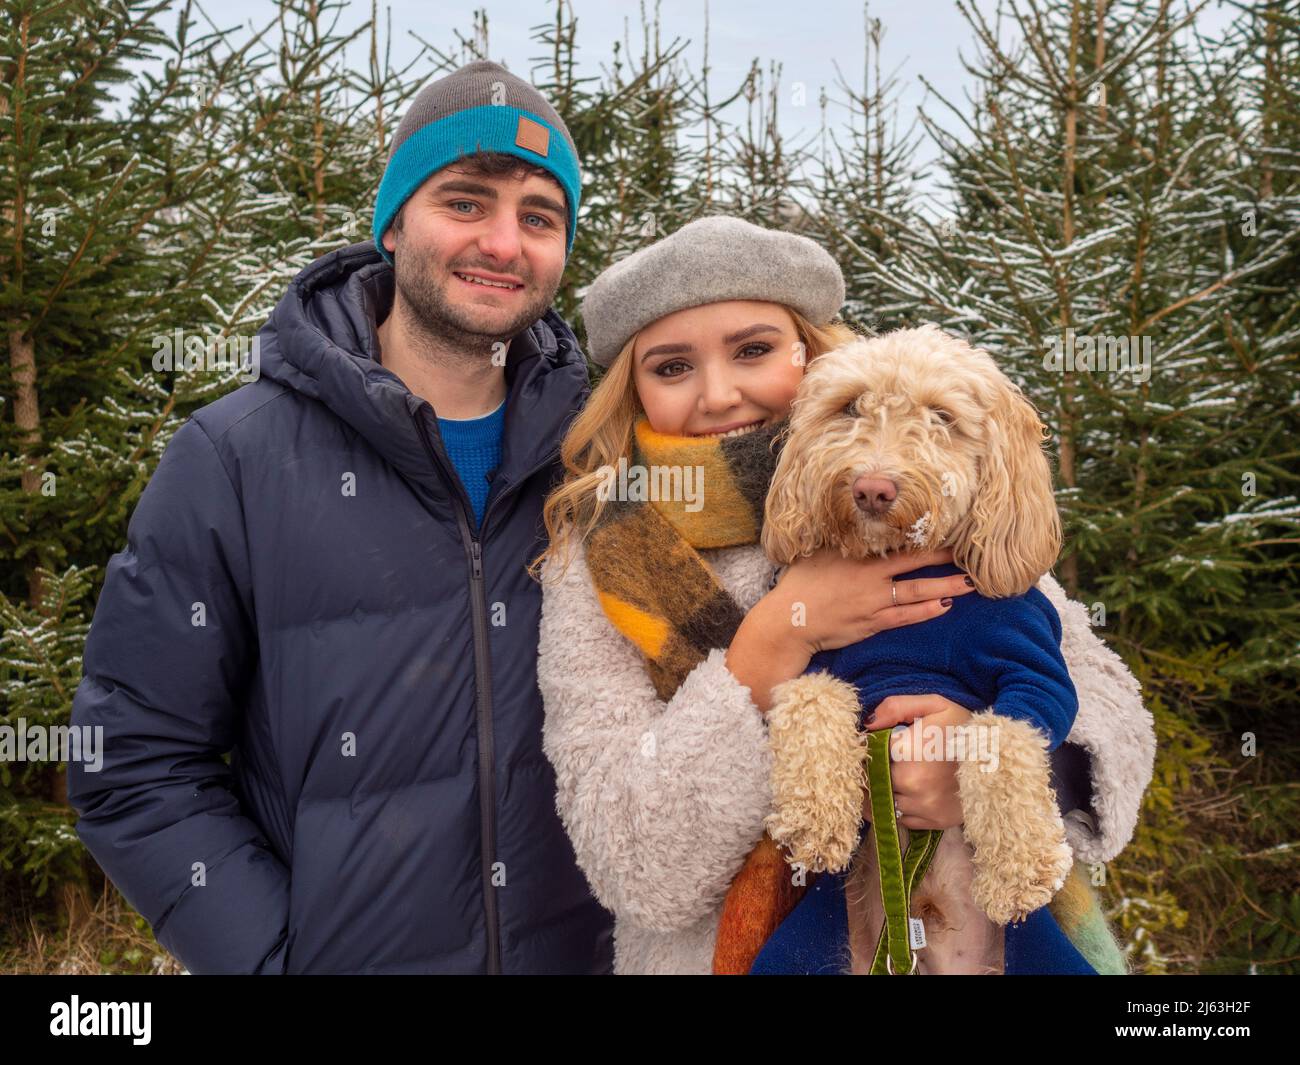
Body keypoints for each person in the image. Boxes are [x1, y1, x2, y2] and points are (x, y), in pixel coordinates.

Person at [66, 60, 615, 974]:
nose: (504, 242)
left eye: (539, 216)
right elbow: (135, 763)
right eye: (467, 201)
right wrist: (277, 958)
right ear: (395, 221)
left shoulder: (602, 457)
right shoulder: (235, 458)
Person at [531, 215, 1155, 975]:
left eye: (754, 350)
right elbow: (635, 866)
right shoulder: (604, 554)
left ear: (811, 351)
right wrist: (769, 650)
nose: (718, 393)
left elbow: (1114, 720)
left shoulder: (949, 503)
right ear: (630, 391)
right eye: (671, 367)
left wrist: (979, 768)